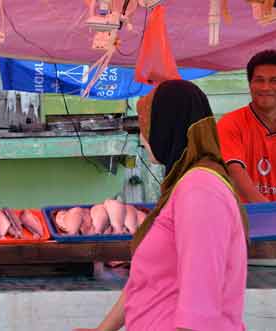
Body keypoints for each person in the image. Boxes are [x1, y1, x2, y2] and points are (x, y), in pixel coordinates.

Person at [75, 80, 249, 331]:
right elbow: (146, 281)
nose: (143, 138)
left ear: (168, 127)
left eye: (146, 127)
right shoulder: (184, 185)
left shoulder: (201, 189)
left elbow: (198, 316)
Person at [217, 49, 276, 202]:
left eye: (273, 80)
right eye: (259, 80)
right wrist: (269, 215)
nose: (266, 87)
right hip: (246, 219)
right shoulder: (230, 123)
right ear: (250, 84)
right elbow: (235, 175)